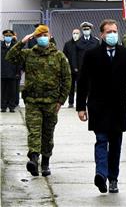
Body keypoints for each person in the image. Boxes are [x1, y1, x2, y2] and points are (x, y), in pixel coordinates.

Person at [76, 19, 126, 194]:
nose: (112, 34)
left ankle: (113, 178)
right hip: (98, 106)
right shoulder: (91, 55)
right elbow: (82, 82)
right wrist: (80, 107)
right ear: (102, 34)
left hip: (119, 106)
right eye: (109, 32)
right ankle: (101, 175)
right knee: (101, 140)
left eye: (114, 31)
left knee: (115, 145)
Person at [6, 24, 71, 177]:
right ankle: (33, 160)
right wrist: (22, 41)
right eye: (39, 35)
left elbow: (66, 79)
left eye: (45, 35)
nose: (42, 38)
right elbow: (10, 57)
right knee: (34, 132)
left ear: (50, 36)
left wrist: (61, 101)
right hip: (33, 101)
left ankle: (46, 162)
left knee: (47, 134)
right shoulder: (28, 54)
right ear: (35, 38)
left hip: (51, 102)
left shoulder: (59, 56)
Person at [1, 29, 20, 112]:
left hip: (13, 72)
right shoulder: (1, 46)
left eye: (9, 36)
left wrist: (18, 72)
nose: (8, 37)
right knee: (3, 91)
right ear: (3, 37)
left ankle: (12, 106)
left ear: (12, 37)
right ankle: (3, 106)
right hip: (2, 72)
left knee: (12, 91)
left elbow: (19, 60)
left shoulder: (15, 46)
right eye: (6, 36)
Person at [63, 28, 81, 108]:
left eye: (77, 33)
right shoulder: (68, 44)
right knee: (71, 87)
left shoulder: (82, 43)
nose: (75, 35)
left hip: (80, 69)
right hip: (70, 69)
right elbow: (64, 55)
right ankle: (71, 102)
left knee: (80, 87)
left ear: (80, 34)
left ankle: (80, 102)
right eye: (74, 33)